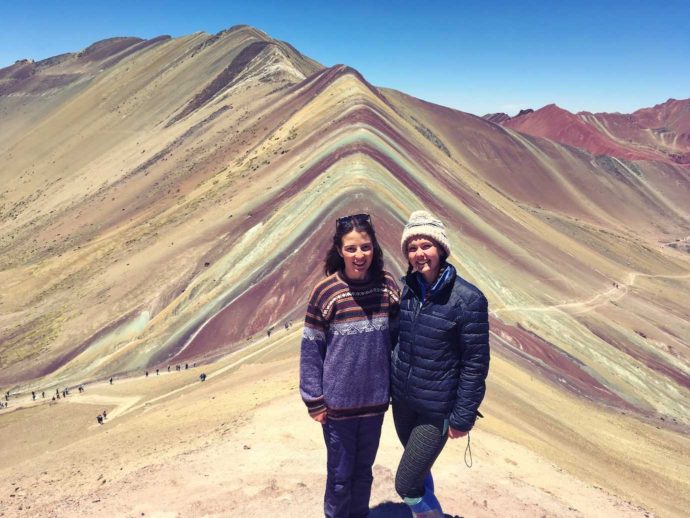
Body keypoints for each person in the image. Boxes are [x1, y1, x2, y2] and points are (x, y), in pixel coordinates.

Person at [300, 213, 400, 518]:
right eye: (352, 249)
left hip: (374, 404)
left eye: (366, 247)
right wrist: (314, 400)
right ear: (340, 251)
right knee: (341, 478)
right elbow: (311, 348)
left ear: (374, 249)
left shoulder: (388, 288)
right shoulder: (326, 292)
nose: (360, 255)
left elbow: (398, 342)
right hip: (337, 408)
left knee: (364, 473)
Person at [391, 211, 490, 518]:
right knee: (418, 469)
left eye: (426, 245)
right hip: (404, 403)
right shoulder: (405, 290)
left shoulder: (468, 299)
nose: (419, 254)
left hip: (436, 410)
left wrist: (462, 416)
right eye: (412, 247)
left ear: (441, 249)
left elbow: (475, 362)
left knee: (406, 484)